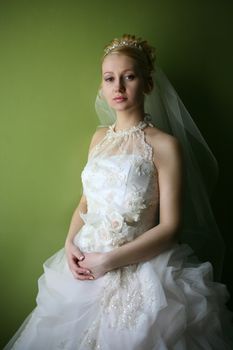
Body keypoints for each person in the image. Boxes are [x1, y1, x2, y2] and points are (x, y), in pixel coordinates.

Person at [4, 34, 233, 350]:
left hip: (140, 267)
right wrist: (69, 242)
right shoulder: (99, 139)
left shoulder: (165, 146)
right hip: (85, 263)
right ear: (102, 87)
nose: (119, 87)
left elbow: (170, 228)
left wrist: (109, 261)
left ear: (147, 84)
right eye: (110, 78)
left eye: (129, 77)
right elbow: (87, 201)